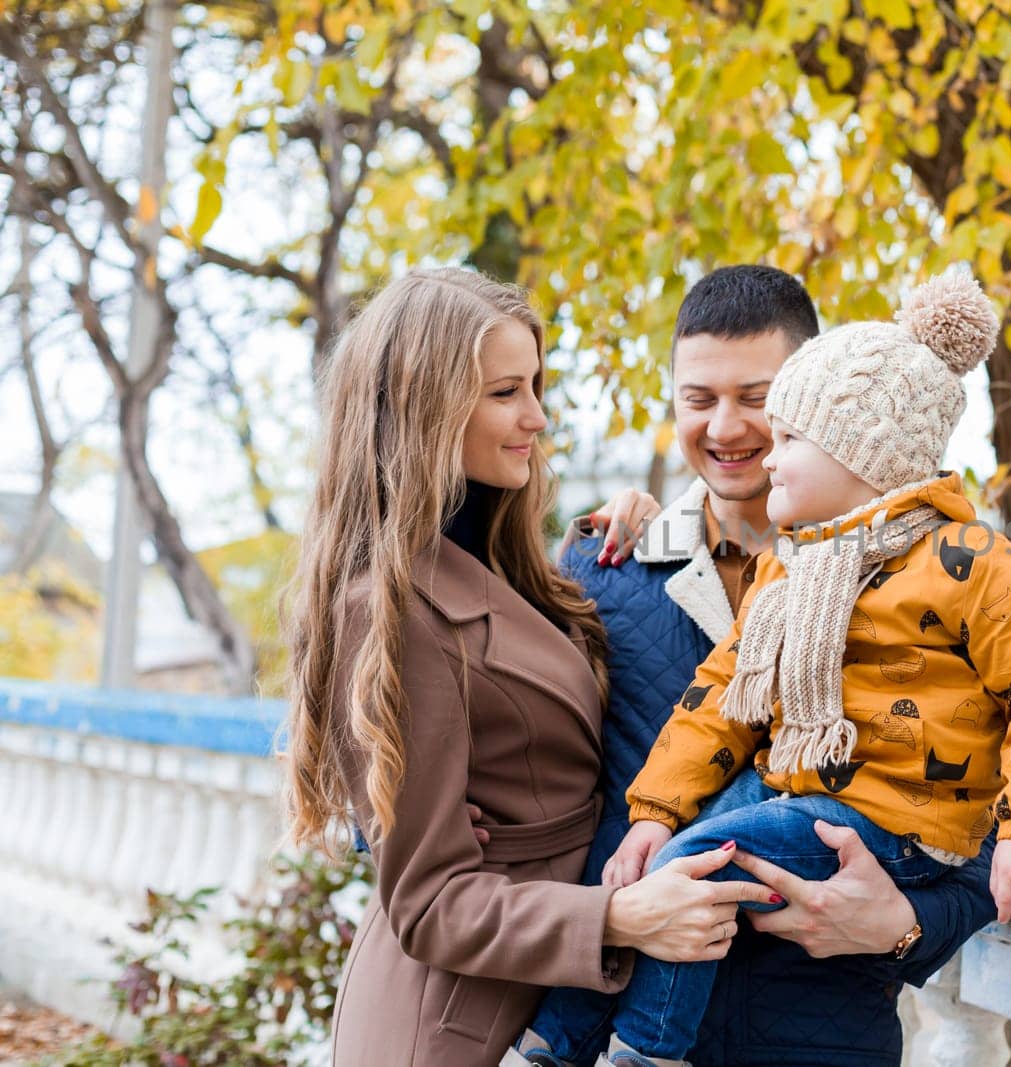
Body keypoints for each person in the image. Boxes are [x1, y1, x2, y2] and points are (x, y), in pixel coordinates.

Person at [511, 269, 1011, 1067]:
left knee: (706, 851)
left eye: (761, 401)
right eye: (697, 398)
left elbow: (1002, 774)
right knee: (698, 847)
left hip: (822, 1029)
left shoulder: (959, 569)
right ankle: (564, 1042)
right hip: (638, 990)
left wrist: (907, 925)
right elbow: (510, 752)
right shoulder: (602, 567)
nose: (730, 428)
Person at [280, 268, 774, 1067]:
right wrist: (621, 916)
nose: (537, 416)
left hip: (539, 1005)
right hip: (452, 1024)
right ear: (428, 408)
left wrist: (655, 526)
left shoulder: (504, 561)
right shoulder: (390, 604)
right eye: (507, 391)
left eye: (536, 385)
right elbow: (430, 901)